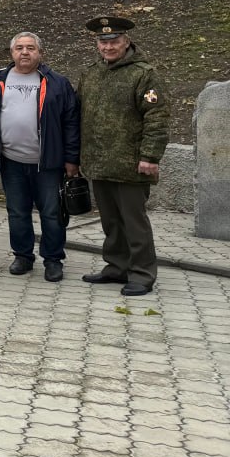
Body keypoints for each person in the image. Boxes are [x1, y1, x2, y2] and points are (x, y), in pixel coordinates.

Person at [77, 16, 169, 297]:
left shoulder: (144, 74)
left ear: (126, 41)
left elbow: (157, 117)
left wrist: (150, 157)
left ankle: (142, 274)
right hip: (98, 161)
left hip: (131, 164)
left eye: (114, 40)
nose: (108, 46)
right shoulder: (91, 73)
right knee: (110, 221)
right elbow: (78, 112)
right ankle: (116, 266)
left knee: (134, 222)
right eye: (103, 41)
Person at [0, 33, 80, 283]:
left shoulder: (57, 83)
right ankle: (23, 256)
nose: (25, 52)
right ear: (12, 53)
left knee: (51, 213)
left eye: (31, 48)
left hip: (47, 163)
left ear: (40, 53)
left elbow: (71, 123)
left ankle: (53, 259)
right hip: (11, 161)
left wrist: (71, 158)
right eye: (19, 48)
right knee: (17, 212)